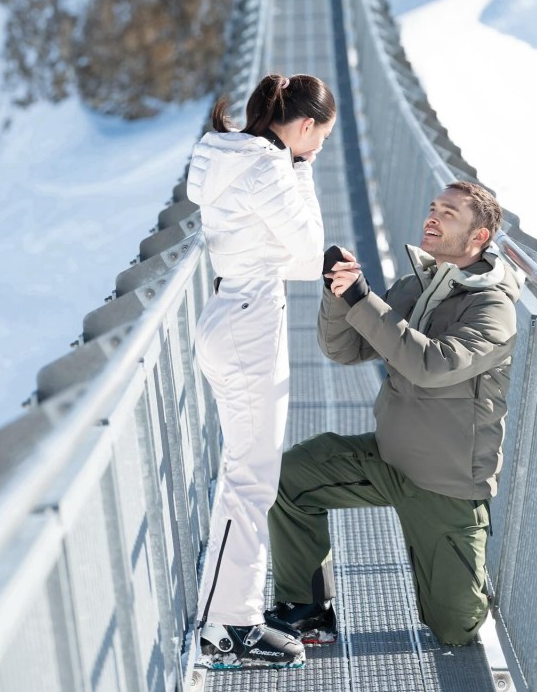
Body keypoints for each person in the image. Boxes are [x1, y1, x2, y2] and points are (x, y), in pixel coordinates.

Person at [266, 180, 522, 647]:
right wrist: (340, 294)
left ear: (478, 237)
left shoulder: (493, 308)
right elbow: (344, 350)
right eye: (433, 207)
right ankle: (305, 607)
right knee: (291, 477)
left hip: (445, 488)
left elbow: (432, 364)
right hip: (387, 461)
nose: (432, 217)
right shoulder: (418, 285)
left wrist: (363, 301)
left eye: (448, 213)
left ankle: (468, 566)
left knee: (455, 630)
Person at [187, 73, 336, 669]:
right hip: (250, 322)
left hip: (228, 309)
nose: (318, 149)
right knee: (250, 481)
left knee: (247, 476)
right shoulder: (271, 166)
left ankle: (229, 616)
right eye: (319, 139)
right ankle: (226, 625)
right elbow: (307, 254)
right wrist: (302, 169)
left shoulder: (228, 152)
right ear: (302, 127)